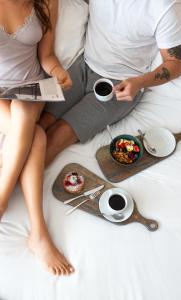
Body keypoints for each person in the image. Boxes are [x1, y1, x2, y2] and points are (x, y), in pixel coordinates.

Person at [40, 0, 181, 166]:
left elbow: (176, 63)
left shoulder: (164, 7)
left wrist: (139, 82)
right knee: (40, 123)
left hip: (121, 84)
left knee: (57, 135)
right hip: (83, 64)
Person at [0, 0, 74, 276]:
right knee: (38, 136)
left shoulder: (47, 1)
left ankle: (1, 198)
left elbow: (47, 56)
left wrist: (57, 73)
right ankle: (39, 233)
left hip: (32, 88)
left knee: (23, 111)